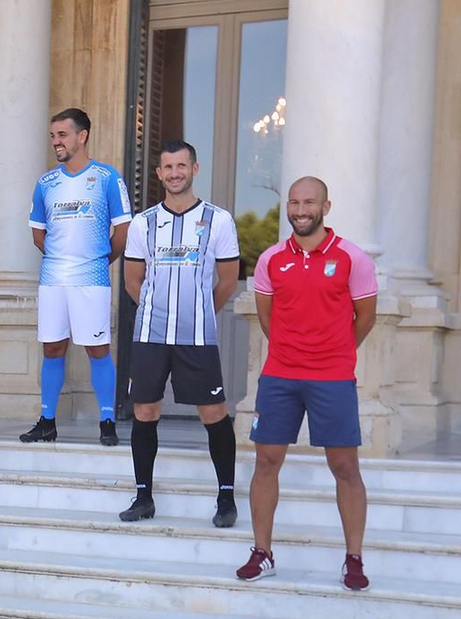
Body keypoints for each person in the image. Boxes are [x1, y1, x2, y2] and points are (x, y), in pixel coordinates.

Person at [239, 177, 378, 590]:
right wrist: (291, 350)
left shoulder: (353, 258)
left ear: (325, 207)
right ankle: (262, 552)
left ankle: (354, 559)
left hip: (332, 377)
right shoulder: (271, 259)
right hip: (280, 375)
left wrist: (334, 351)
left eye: (309, 203)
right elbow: (267, 317)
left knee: (345, 467)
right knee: (266, 462)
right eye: (294, 203)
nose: (301, 210)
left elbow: (365, 318)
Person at [119, 141, 242, 527]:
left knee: (214, 413)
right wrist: (158, 310)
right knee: (145, 411)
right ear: (159, 173)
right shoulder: (143, 223)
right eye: (168, 167)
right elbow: (133, 280)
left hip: (197, 337)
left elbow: (228, 280)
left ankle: (226, 498)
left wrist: (199, 311)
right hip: (150, 336)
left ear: (194, 169)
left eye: (181, 166)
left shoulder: (218, 220)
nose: (175, 173)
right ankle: (143, 496)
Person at [21, 108, 132, 446]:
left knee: (98, 349)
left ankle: (107, 421)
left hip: (92, 279)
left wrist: (98, 260)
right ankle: (47, 421)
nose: (56, 141)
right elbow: (38, 235)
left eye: (62, 135)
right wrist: (62, 260)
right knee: (52, 348)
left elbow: (123, 232)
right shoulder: (45, 183)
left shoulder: (107, 177)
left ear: (82, 136)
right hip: (53, 279)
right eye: (53, 136)